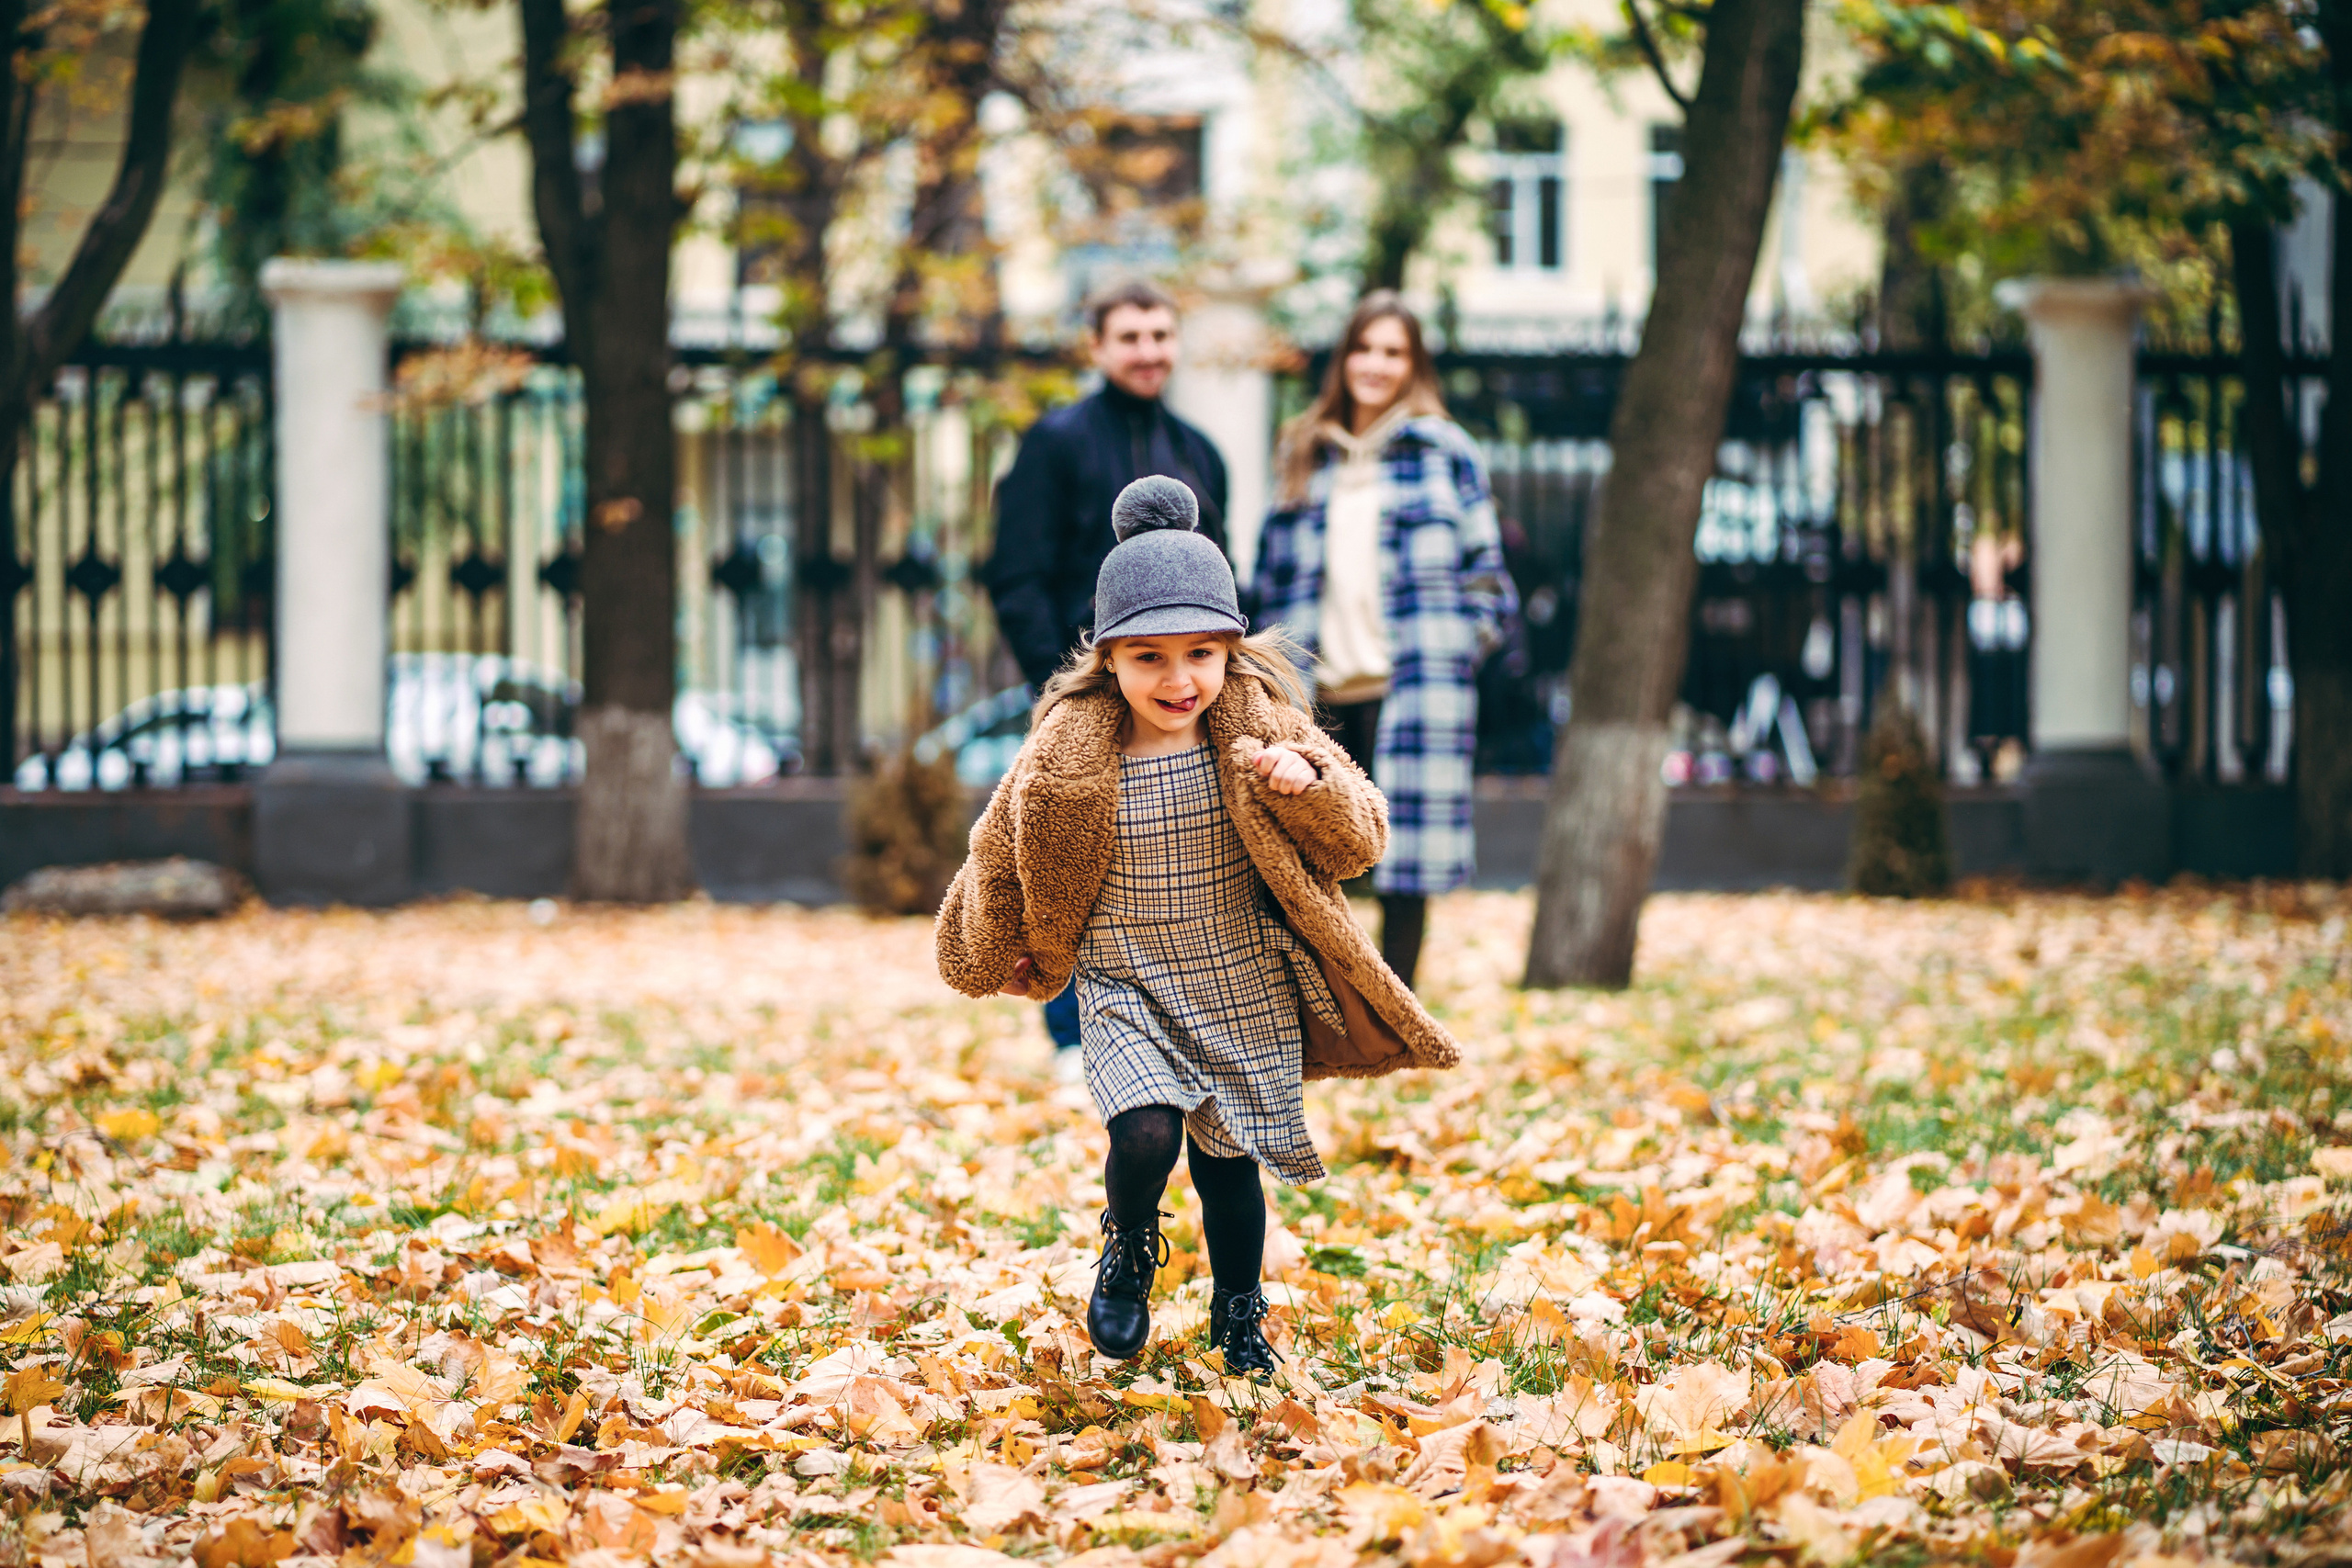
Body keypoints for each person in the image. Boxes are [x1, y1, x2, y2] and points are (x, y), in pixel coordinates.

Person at [937, 477, 1458, 1371]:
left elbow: (1359, 837)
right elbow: (998, 847)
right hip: (1126, 981)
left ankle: (1237, 1310)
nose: (1177, 680)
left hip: (1238, 979)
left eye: (1200, 655)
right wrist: (992, 943)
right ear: (1108, 659)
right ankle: (1129, 1247)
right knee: (1142, 1133)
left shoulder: (1264, 731)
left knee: (1228, 1169)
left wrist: (1307, 787)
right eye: (1148, 659)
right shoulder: (1066, 748)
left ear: (1230, 650)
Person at [982, 279, 1232, 1067]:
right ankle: (1067, 1037)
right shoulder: (1054, 443)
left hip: (1179, 701)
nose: (1148, 351)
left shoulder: (1201, 453)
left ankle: (1168, 1028)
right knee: (1061, 860)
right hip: (1077, 694)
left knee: (1174, 862)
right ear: (1098, 347)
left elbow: (1226, 584)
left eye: (1161, 335)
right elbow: (1015, 573)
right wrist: (1061, 684)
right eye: (1130, 337)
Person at [1250, 291, 1517, 989]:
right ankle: (1320, 1006)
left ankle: (1397, 1013)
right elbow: (1269, 577)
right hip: (1317, 694)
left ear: (1413, 364)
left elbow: (1490, 583)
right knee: (1302, 855)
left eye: (1393, 351)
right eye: (1364, 348)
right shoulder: (1303, 450)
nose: (1376, 364)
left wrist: (1453, 650)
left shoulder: (1445, 451)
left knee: (1406, 862)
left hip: (1415, 686)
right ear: (1344, 359)